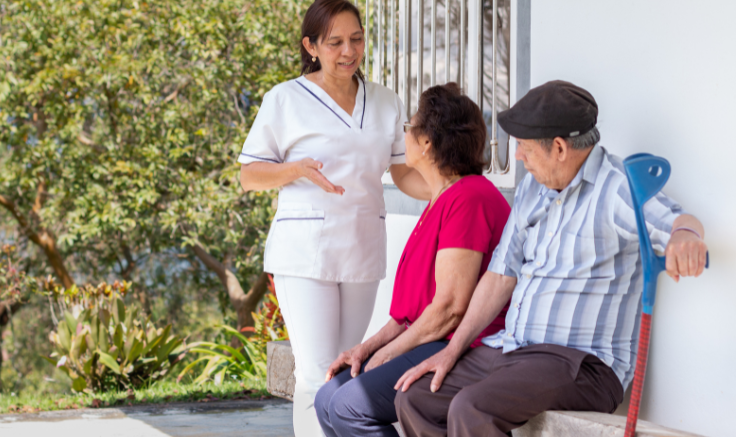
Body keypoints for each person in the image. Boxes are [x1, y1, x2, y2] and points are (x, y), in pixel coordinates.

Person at [393, 80, 709, 437]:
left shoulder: (617, 187)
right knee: (416, 397)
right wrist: (453, 350)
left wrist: (686, 238)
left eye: (525, 147)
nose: (518, 157)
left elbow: (679, 223)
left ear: (559, 148)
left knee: (472, 408)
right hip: (512, 352)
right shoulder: (533, 187)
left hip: (581, 365)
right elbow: (500, 276)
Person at [238, 1, 412, 435]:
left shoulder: (386, 101)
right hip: (304, 256)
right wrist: (296, 169)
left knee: (346, 370)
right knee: (315, 374)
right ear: (311, 46)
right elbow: (249, 175)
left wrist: (452, 189)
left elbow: (404, 171)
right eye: (334, 42)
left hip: (362, 248)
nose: (348, 51)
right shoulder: (286, 98)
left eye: (356, 39)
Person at [313, 83, 511, 437]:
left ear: (426, 143)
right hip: (430, 337)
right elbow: (410, 314)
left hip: (463, 347)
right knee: (327, 398)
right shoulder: (441, 199)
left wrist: (388, 355)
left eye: (410, 126)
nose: (403, 135)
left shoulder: (469, 198)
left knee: (349, 406)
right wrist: (367, 348)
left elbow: (450, 307)